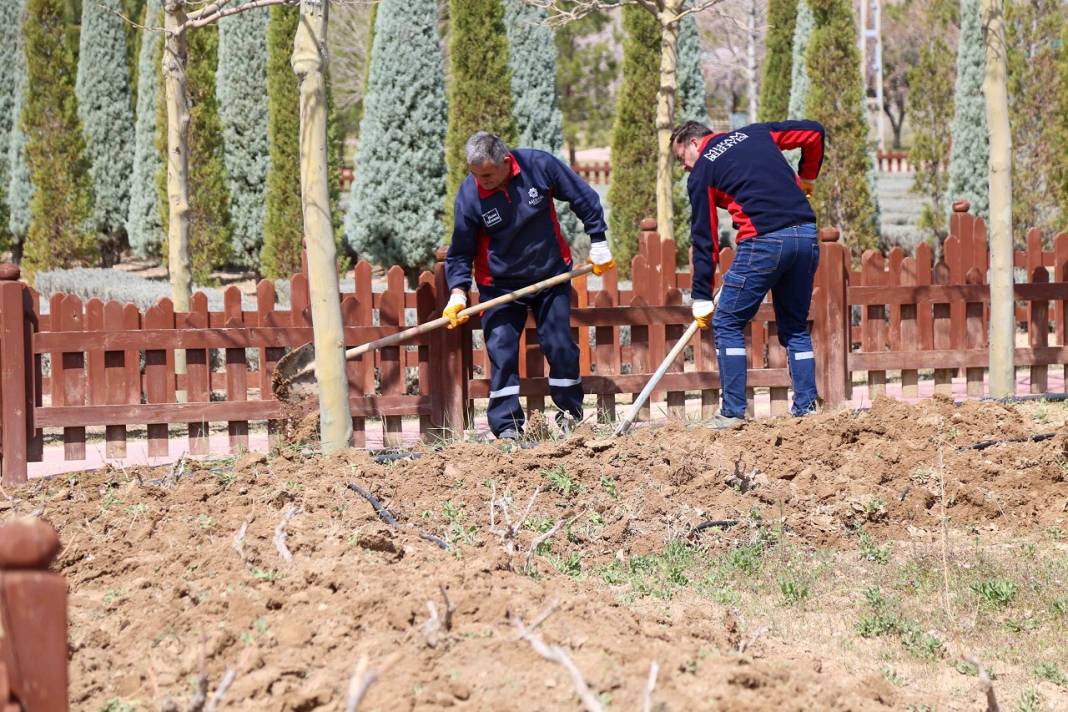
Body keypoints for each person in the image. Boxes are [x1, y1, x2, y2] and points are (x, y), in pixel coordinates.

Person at [442, 132, 614, 441]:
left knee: (560, 345)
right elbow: (460, 250)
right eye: (474, 174)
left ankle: (569, 417)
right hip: (499, 287)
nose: (480, 180)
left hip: (551, 277)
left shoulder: (538, 165)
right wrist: (457, 291)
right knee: (502, 352)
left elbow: (582, 196)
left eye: (487, 174)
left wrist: (598, 240)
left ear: (506, 162)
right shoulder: (470, 195)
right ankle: (507, 428)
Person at [670, 119, 826, 429]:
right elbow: (814, 133)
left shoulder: (703, 170)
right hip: (806, 235)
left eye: (681, 160)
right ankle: (807, 409)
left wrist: (701, 294)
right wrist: (807, 177)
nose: (685, 168)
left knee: (727, 321)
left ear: (693, 144)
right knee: (794, 326)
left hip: (764, 241)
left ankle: (732, 414)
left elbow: (705, 238)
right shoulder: (756, 133)